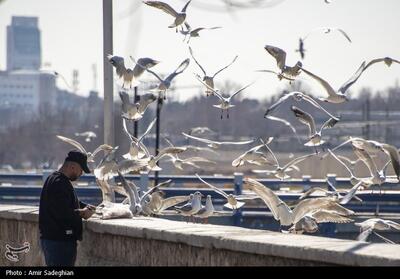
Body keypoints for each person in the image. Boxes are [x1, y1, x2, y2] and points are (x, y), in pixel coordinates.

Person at [39, 150, 96, 266]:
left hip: (53, 240)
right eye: (81, 170)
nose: (81, 174)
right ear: (72, 167)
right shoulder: (59, 183)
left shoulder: (54, 179)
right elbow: (63, 213)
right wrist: (83, 213)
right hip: (59, 242)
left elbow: (65, 203)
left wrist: (86, 206)